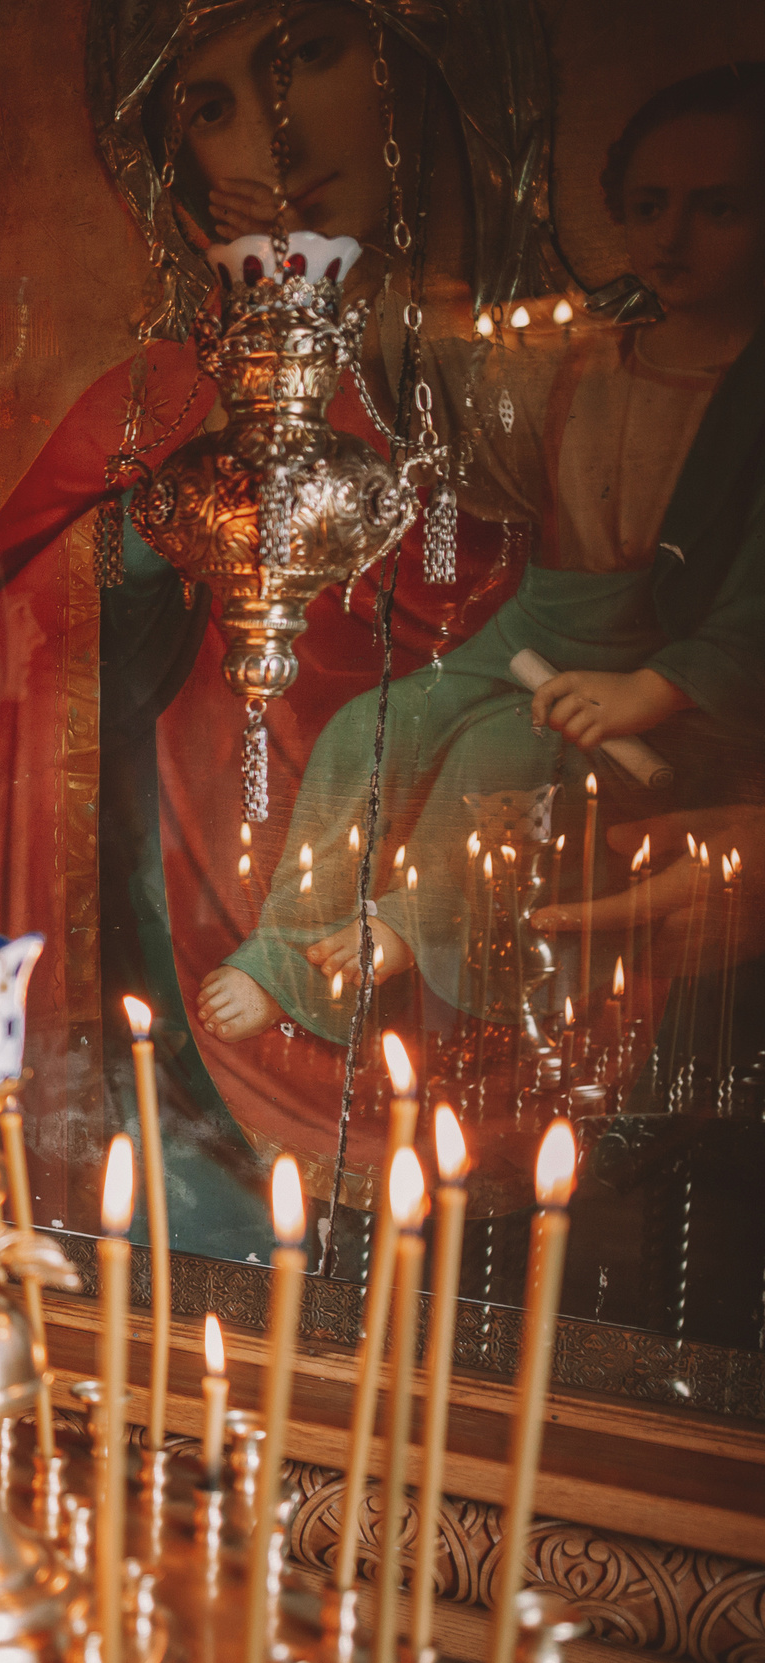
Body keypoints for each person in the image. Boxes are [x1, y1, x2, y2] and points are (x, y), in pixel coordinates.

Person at [0, 0, 553, 1249]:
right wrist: (165, 524)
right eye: (210, 103)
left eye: (306, 55)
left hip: (451, 901)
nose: (276, 133)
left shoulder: (546, 386)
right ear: (173, 163)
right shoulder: (154, 402)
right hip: (191, 913)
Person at [198, 63, 765, 1052]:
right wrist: (337, 256)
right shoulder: (588, 350)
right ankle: (288, 954)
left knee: (501, 754)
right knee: (371, 727)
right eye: (648, 205)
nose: (671, 238)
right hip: (539, 631)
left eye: (718, 209)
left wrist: (658, 689)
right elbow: (448, 364)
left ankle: (406, 929)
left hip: (663, 683)